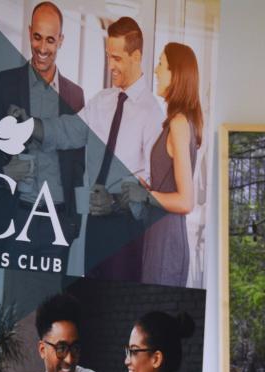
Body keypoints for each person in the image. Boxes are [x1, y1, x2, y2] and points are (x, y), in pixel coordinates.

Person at [20, 16, 163, 281]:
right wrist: (29, 126)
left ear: (136, 56)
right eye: (109, 57)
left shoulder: (153, 114)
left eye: (117, 58)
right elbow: (66, 131)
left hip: (127, 232)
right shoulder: (102, 101)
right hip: (94, 226)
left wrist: (114, 202)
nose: (111, 66)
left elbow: (152, 186)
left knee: (113, 304)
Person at [0, 1, 85, 273]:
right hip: (16, 216)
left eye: (50, 40)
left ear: (61, 40)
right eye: (37, 37)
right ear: (29, 32)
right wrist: (5, 171)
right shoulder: (6, 83)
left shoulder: (75, 96)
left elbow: (79, 166)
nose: (42, 48)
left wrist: (73, 223)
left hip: (57, 224)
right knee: (15, 304)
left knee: (50, 303)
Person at [121, 42, 203, 287]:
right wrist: (145, 189)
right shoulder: (175, 122)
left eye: (161, 64)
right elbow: (168, 188)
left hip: (167, 242)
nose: (155, 71)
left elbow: (185, 201)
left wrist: (146, 196)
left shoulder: (179, 124)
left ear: (176, 74)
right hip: (159, 236)